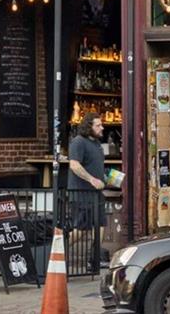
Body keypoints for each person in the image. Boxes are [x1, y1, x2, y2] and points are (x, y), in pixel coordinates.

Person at [66, 113, 108, 271]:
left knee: (101, 225)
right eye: (98, 125)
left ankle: (94, 259)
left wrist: (108, 177)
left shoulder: (96, 144)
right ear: (88, 127)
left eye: (101, 124)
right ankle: (56, 252)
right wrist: (92, 180)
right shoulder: (78, 142)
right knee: (81, 229)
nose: (102, 128)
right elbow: (74, 165)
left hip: (96, 193)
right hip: (81, 193)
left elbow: (96, 166)